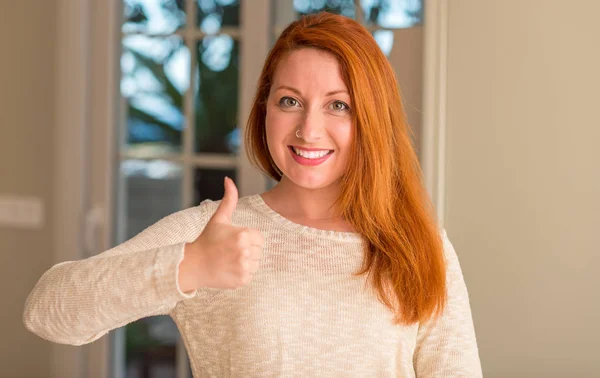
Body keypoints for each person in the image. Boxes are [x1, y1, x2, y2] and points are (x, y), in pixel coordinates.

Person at [23, 12, 482, 377]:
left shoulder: (421, 244)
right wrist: (188, 266)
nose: (309, 128)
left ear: (372, 121)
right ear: (265, 109)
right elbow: (47, 311)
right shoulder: (211, 234)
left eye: (338, 105)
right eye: (289, 101)